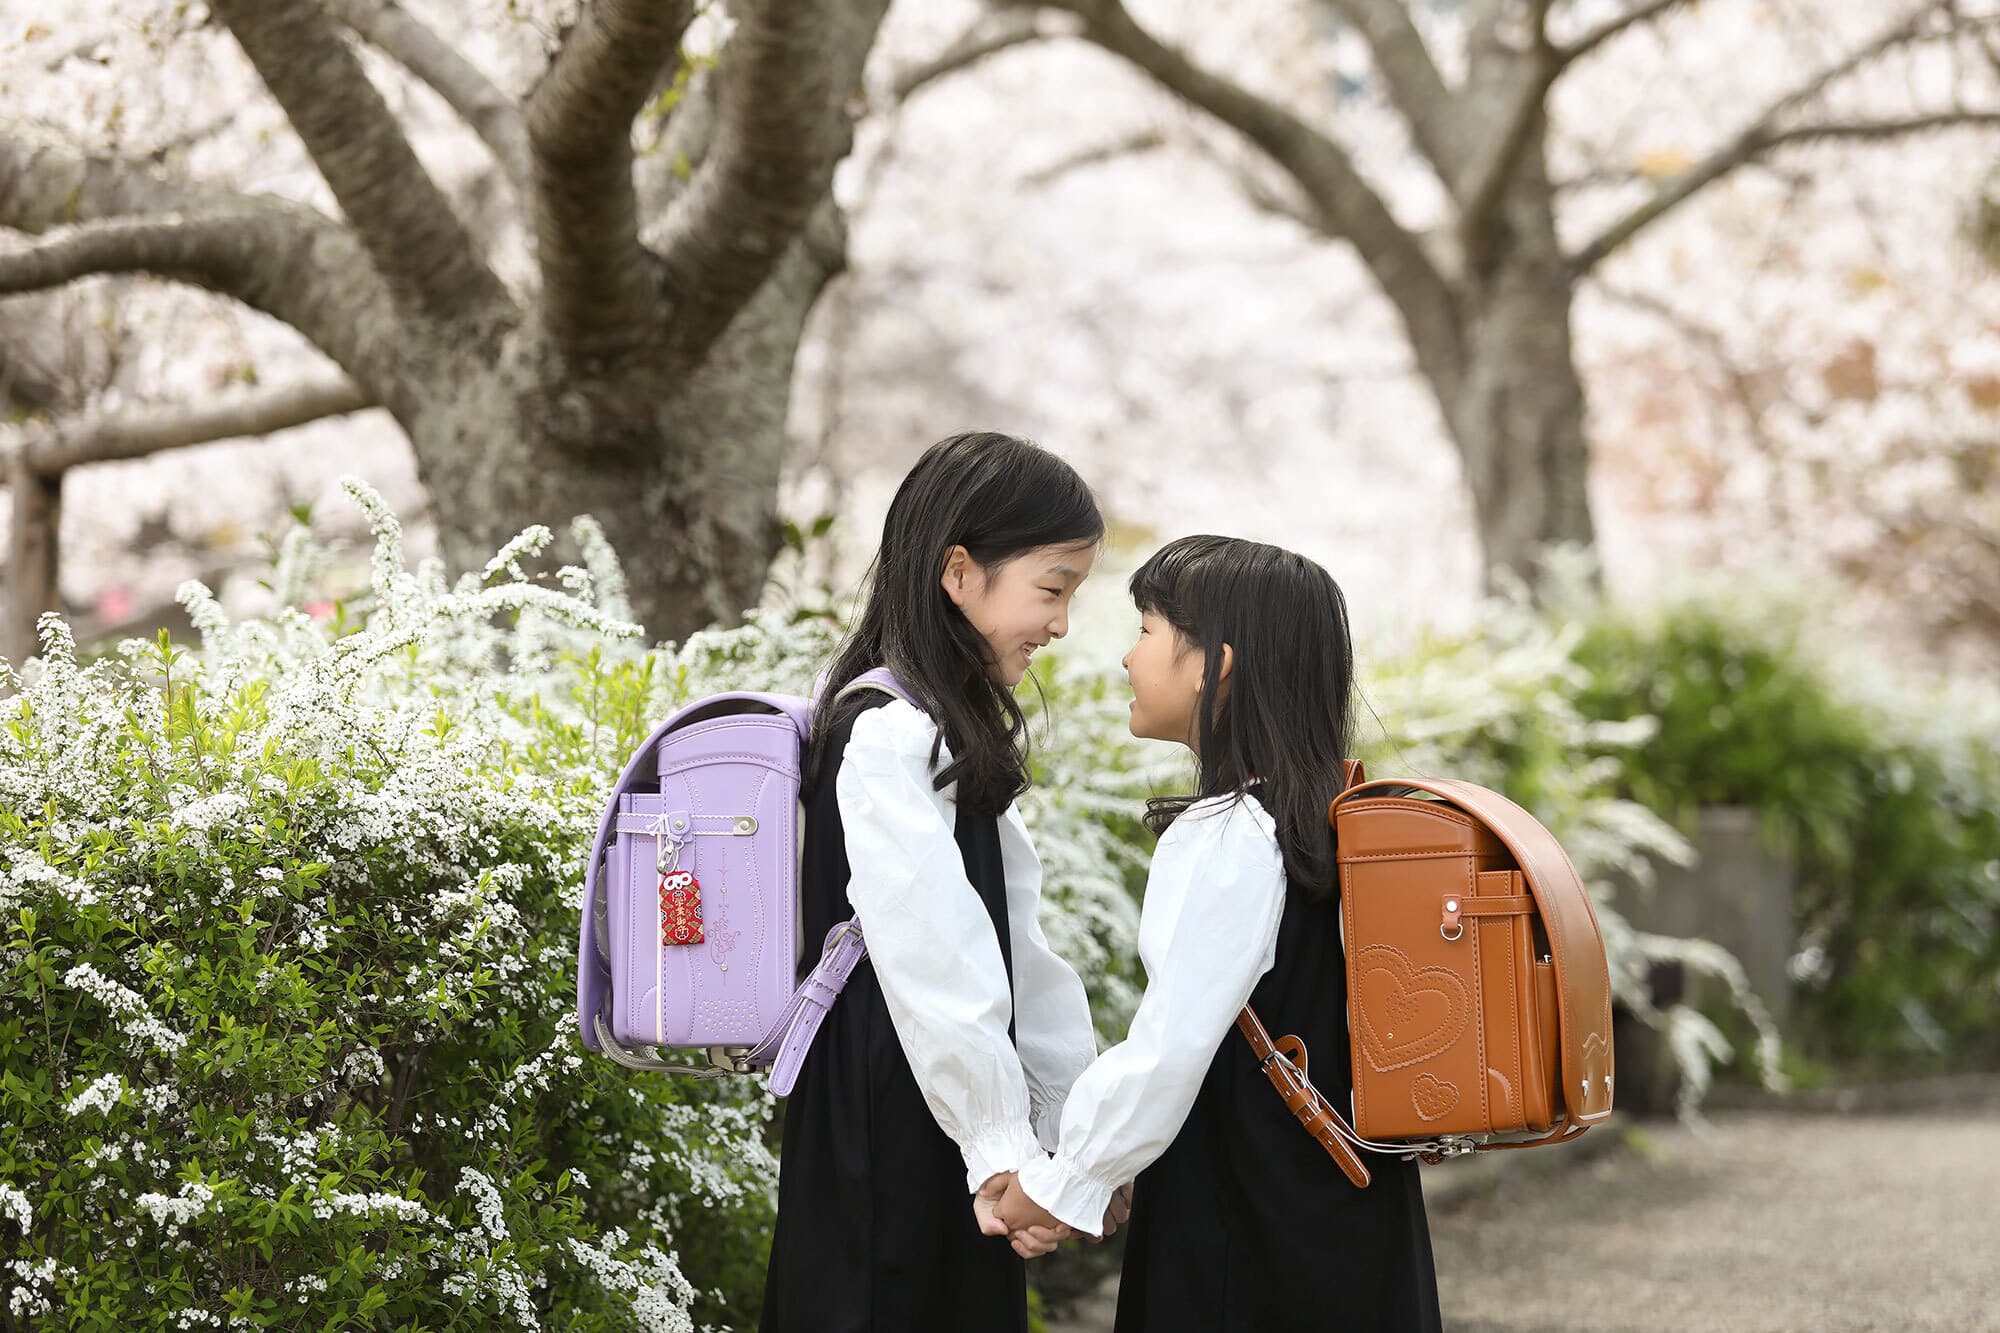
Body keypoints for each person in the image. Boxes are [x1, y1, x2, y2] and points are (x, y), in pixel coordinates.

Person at [991, 534, 1442, 1332]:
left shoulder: (1228, 834)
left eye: (1146, 630)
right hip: (1345, 1210)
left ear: (1214, 663)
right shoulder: (1334, 820)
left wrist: (1064, 1179)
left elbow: (1170, 1047)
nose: (1127, 659)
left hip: (1248, 1225)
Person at [760, 432, 1103, 1333]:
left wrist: (1061, 1131)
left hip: (928, 1092)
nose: (1061, 623)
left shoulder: (942, 726)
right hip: (891, 1093)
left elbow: (1017, 944)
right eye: (1053, 587)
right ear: (959, 572)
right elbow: (931, 951)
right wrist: (998, 1144)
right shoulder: (886, 729)